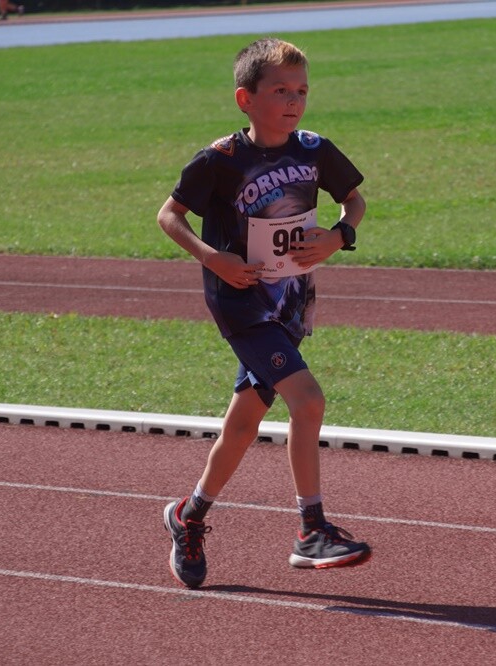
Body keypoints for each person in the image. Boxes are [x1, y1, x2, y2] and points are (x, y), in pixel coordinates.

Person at [156, 37, 371, 589]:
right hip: (241, 303)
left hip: (291, 301)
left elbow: (355, 200)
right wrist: (213, 258)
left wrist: (339, 236)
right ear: (245, 98)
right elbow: (168, 215)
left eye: (301, 90)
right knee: (309, 400)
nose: (294, 100)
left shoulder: (313, 149)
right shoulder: (221, 160)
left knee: (244, 425)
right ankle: (311, 531)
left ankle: (189, 516)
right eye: (279, 90)